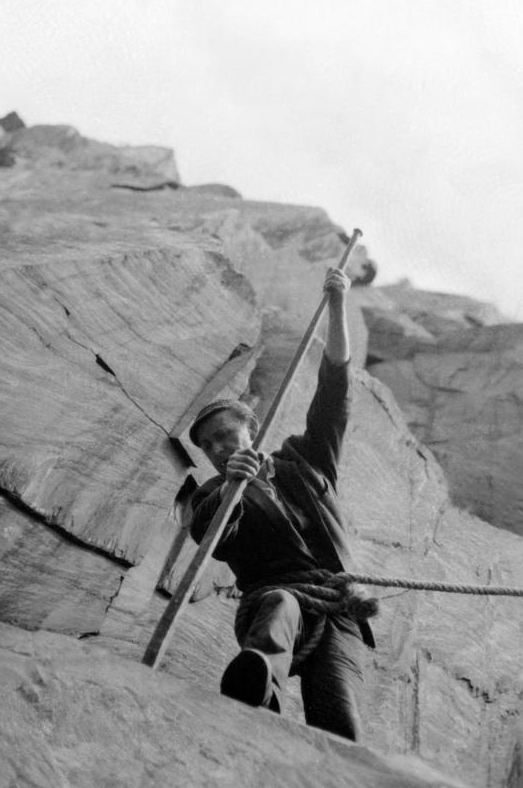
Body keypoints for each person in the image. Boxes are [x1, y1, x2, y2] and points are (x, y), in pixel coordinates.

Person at [188, 267, 375, 741]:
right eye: (208, 446)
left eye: (226, 435)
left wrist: (336, 305)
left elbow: (334, 393)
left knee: (340, 727)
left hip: (337, 607)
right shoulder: (213, 495)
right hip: (271, 602)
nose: (218, 449)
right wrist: (230, 491)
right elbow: (211, 538)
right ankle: (259, 686)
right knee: (280, 604)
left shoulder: (306, 464)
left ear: (252, 429)